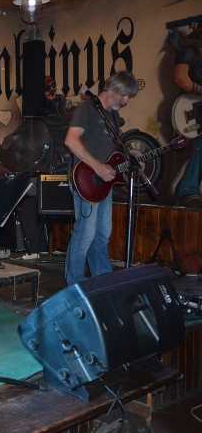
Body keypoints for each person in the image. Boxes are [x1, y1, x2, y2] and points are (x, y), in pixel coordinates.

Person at [63, 71, 138, 285]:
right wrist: (97, 167)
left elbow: (112, 151)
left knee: (103, 233)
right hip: (86, 180)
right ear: (114, 90)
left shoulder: (111, 116)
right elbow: (71, 140)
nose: (126, 101)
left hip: (104, 183)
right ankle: (74, 283)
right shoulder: (86, 108)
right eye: (125, 96)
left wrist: (131, 157)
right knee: (85, 233)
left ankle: (103, 280)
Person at [172, 25, 202, 206]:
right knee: (199, 144)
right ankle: (187, 190)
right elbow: (180, 78)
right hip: (191, 108)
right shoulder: (189, 51)